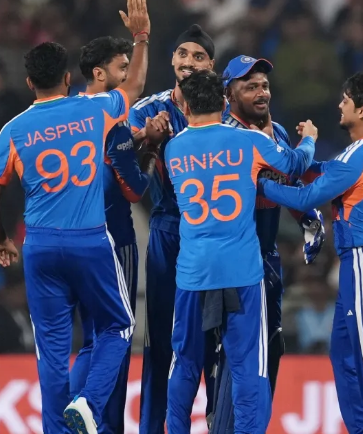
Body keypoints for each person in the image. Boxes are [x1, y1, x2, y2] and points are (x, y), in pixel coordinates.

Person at [0, 1, 151, 432]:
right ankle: (89, 403)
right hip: (89, 240)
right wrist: (141, 37)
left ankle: (57, 429)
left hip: (39, 246)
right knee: (119, 326)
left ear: (29, 82)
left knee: (52, 351)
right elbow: (134, 84)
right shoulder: (94, 110)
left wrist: (0, 238)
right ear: (69, 78)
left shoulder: (13, 129)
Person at [165, 69, 316, 434]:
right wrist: (309, 138)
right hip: (242, 271)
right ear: (223, 102)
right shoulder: (249, 142)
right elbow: (295, 164)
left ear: (185, 107)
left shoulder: (173, 149)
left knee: (185, 364)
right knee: (249, 367)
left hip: (193, 271)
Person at [258, 72, 363, 434]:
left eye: (346, 100)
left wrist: (261, 185)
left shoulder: (359, 155)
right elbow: (325, 172)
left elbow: (307, 197)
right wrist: (299, 154)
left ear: (362, 110)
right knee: (344, 353)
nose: (340, 104)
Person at [210, 54, 326, 433]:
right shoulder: (226, 135)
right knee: (236, 356)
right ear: (229, 94)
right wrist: (309, 140)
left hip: (267, 257)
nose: (261, 93)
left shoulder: (274, 133)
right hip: (234, 262)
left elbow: (287, 184)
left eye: (264, 85)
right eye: (250, 87)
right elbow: (292, 167)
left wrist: (307, 217)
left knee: (269, 347)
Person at [70, 35, 170, 434]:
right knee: (117, 336)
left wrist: (137, 139)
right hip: (114, 237)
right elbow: (134, 189)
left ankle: (73, 419)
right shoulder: (113, 116)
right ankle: (104, 421)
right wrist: (150, 149)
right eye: (121, 67)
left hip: (71, 237)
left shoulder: (67, 112)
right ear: (100, 73)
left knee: (91, 340)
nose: (128, 76)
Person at [129, 23, 219, 432]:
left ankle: (218, 424)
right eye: (183, 53)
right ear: (172, 60)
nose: (189, 62)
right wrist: (146, 139)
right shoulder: (148, 110)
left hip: (215, 237)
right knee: (160, 343)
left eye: (198, 56)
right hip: (168, 231)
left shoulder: (225, 111)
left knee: (214, 342)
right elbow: (119, 158)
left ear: (211, 65)